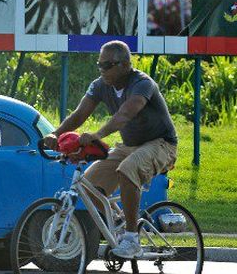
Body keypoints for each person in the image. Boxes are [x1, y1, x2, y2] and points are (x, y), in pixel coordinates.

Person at [43, 40, 177, 259]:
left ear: (124, 64)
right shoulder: (100, 85)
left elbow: (125, 113)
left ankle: (132, 239)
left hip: (161, 144)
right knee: (86, 186)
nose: (102, 70)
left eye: (107, 65)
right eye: (99, 65)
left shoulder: (142, 83)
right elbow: (79, 114)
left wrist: (98, 135)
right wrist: (55, 134)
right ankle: (119, 221)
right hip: (129, 146)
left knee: (127, 169)